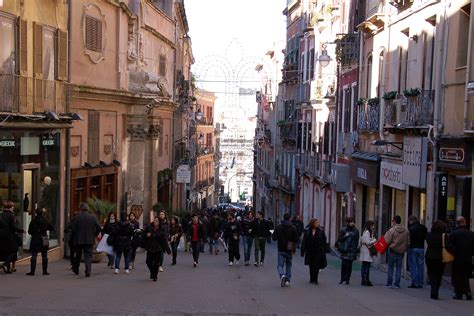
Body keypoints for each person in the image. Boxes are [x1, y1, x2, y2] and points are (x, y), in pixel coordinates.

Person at [71, 203, 101, 277]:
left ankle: (76, 269)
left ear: (80, 209)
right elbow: (98, 227)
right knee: (88, 256)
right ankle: (88, 270)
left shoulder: (77, 217)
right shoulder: (92, 217)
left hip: (79, 240)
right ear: (87, 209)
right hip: (89, 239)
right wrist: (94, 234)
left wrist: (75, 236)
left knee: (78, 255)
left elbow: (73, 229)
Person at [448, 216, 474, 300]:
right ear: (465, 222)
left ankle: (458, 293)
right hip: (468, 258)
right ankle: (467, 292)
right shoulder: (471, 233)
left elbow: (449, 245)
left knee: (457, 276)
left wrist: (455, 251)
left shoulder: (454, 233)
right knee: (465, 275)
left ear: (457, 223)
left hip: (457, 258)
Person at [272, 213, 298, 287]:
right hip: (289, 249)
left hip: (281, 249)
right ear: (290, 218)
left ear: (283, 218)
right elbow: (296, 239)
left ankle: (282, 275)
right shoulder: (293, 227)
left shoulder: (278, 227)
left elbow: (274, 238)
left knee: (280, 265)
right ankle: (287, 281)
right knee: (289, 265)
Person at [26, 208, 54, 276]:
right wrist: (45, 229)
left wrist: (34, 233)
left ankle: (32, 271)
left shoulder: (33, 221)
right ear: (42, 213)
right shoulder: (45, 220)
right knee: (44, 255)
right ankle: (45, 271)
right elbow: (52, 228)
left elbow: (29, 231)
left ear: (36, 213)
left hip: (35, 238)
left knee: (34, 255)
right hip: (44, 238)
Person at [384, 215, 410, 289]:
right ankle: (397, 284)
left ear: (394, 221)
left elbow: (387, 241)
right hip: (401, 252)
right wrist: (404, 248)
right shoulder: (406, 230)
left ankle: (389, 283)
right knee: (399, 268)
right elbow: (408, 242)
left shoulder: (392, 230)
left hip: (392, 250)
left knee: (391, 268)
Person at [425, 220, 447, 300]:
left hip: (430, 256)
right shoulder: (444, 236)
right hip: (440, 257)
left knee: (431, 274)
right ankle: (435, 290)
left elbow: (428, 242)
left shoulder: (429, 234)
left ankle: (433, 291)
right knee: (439, 275)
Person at [301, 218, 327, 284]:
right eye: (316, 222)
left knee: (316, 265)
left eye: (318, 222)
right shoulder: (307, 231)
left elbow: (324, 241)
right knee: (311, 265)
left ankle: (315, 279)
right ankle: (311, 278)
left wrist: (324, 250)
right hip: (310, 251)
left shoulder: (321, 231)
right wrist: (302, 251)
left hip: (318, 251)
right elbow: (304, 242)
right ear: (312, 223)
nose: (318, 224)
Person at [0, 200, 24, 274]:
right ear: (10, 207)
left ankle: (7, 268)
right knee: (14, 249)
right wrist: (21, 230)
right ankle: (6, 263)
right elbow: (13, 227)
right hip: (9, 235)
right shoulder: (11, 215)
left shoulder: (1, 214)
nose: (13, 208)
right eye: (13, 206)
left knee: (4, 250)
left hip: (1, 235)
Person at [336, 217, 359, 285]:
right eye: (351, 222)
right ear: (348, 223)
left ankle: (347, 279)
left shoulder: (356, 230)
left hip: (351, 250)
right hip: (344, 249)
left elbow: (356, 240)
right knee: (343, 264)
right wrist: (346, 236)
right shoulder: (344, 230)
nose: (352, 223)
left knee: (349, 265)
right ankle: (342, 278)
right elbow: (339, 239)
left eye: (353, 222)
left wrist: (355, 249)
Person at [145, 213, 167, 281]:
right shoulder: (149, 227)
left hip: (158, 249)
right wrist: (146, 234)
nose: (155, 222)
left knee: (156, 264)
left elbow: (164, 240)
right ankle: (152, 272)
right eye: (154, 220)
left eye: (157, 221)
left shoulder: (162, 230)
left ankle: (155, 276)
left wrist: (167, 249)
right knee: (148, 262)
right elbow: (143, 233)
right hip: (150, 248)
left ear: (159, 222)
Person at [407, 215, 427, 289]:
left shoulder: (411, 229)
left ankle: (415, 282)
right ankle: (420, 282)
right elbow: (425, 237)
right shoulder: (423, 227)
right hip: (421, 248)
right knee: (420, 266)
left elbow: (408, 239)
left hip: (413, 248)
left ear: (411, 221)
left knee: (413, 265)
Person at [359, 220, 377, 286]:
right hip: (366, 250)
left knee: (365, 265)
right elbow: (367, 242)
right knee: (366, 266)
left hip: (365, 250)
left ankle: (364, 279)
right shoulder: (367, 232)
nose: (373, 227)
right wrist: (374, 240)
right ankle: (365, 280)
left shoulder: (367, 231)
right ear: (369, 225)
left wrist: (372, 239)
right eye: (372, 225)